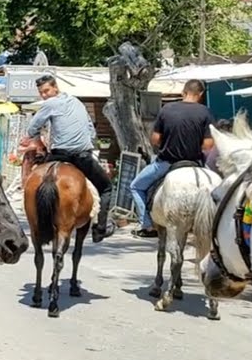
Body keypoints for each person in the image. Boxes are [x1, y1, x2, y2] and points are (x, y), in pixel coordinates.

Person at [24, 74, 115, 242]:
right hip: (82, 156)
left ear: (55, 88)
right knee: (106, 187)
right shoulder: (77, 102)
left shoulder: (50, 104)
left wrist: (35, 138)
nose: (44, 95)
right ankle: (100, 228)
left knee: (35, 180)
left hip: (59, 154)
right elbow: (91, 130)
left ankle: (36, 218)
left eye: (46, 91)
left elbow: (32, 128)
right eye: (41, 92)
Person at [130, 79, 215, 238]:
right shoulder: (205, 112)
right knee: (218, 189)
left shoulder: (166, 109)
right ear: (200, 94)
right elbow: (208, 145)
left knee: (136, 186)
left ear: (183, 92)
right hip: (196, 164)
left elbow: (155, 139)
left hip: (166, 163)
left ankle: (147, 225)